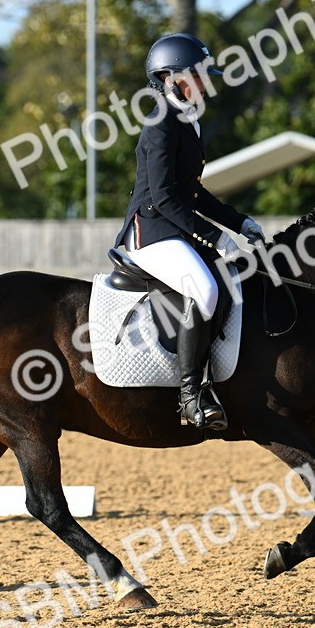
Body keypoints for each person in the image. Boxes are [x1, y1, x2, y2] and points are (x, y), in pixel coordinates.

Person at [113, 33, 265, 431]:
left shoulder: (186, 121)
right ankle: (190, 395)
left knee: (232, 278)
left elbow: (192, 192)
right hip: (150, 232)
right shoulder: (160, 124)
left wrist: (238, 222)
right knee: (206, 289)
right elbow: (165, 197)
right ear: (171, 77)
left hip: (174, 228)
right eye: (198, 76)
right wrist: (215, 238)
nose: (205, 83)